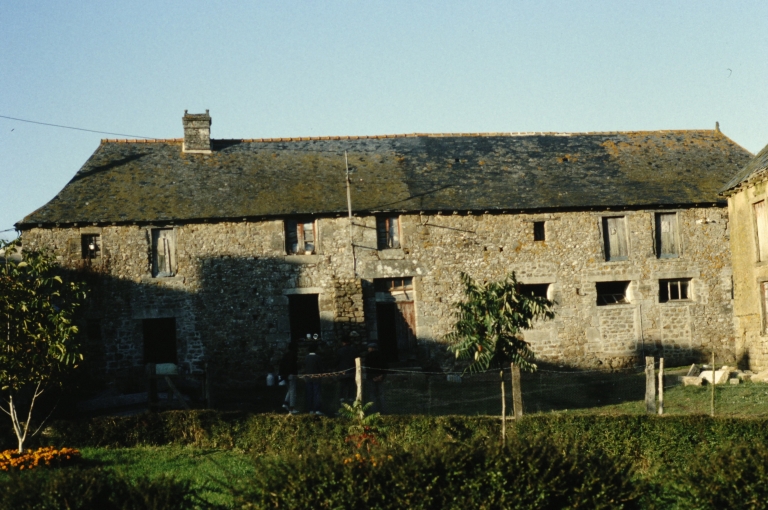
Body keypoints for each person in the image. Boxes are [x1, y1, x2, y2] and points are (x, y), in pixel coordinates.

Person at [365, 342, 388, 413]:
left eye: (369, 348)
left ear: (372, 348)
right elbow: (385, 366)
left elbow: (368, 368)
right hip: (380, 376)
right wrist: (382, 376)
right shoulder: (382, 355)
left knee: (372, 394)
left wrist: (373, 377)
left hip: (371, 377)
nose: (368, 349)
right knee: (381, 394)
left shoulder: (368, 356)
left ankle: (374, 410)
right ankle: (383, 410)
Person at [336, 334, 359, 405]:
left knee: (342, 388)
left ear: (343, 342)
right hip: (352, 372)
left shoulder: (339, 351)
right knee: (351, 388)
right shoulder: (354, 350)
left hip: (342, 372)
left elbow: (337, 362)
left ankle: (342, 403)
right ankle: (351, 402)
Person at [301, 345, 324, 416]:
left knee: (309, 393)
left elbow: (304, 367)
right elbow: (320, 368)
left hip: (308, 377)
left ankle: (310, 409)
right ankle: (317, 409)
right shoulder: (318, 357)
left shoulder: (306, 358)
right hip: (316, 377)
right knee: (316, 393)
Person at [278, 343, 299, 414]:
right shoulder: (293, 355)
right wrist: (294, 373)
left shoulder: (285, 355)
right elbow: (292, 366)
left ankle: (285, 403)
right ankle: (292, 408)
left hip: (285, 374)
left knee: (290, 390)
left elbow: (282, 365)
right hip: (291, 374)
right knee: (293, 391)